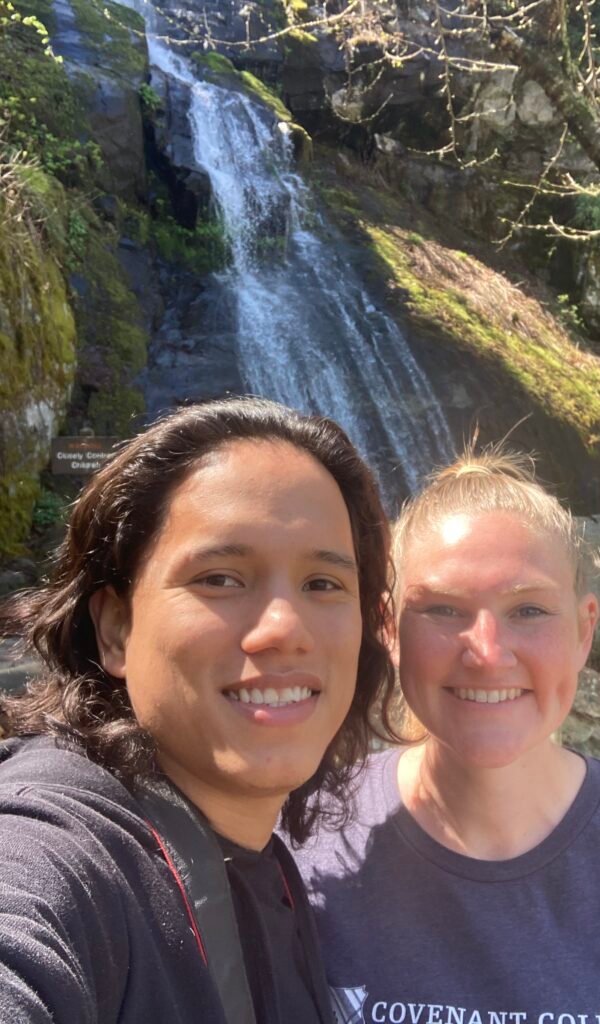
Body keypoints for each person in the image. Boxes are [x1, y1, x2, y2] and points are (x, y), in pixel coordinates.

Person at [293, 448, 600, 1024]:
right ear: (389, 627)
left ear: (584, 630)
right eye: (443, 609)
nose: (488, 654)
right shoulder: (303, 839)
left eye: (529, 611)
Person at [0, 396, 397, 1024]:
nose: (284, 629)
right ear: (116, 629)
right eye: (220, 578)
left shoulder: (270, 868)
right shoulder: (65, 851)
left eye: (323, 584)